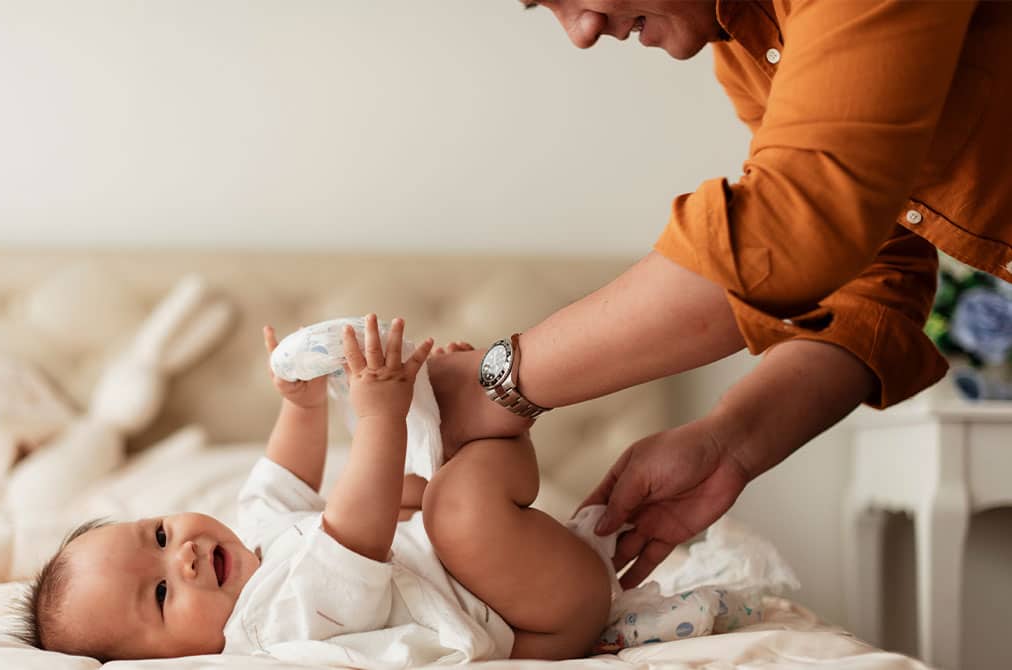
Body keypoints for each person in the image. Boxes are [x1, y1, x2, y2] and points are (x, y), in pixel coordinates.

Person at [429, 0, 1012, 590]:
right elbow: (874, 275)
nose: (580, 33)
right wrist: (730, 440)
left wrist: (500, 383)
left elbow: (794, 226)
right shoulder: (746, 49)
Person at [16, 315, 614, 663]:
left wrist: (301, 404)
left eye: (160, 535)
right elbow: (356, 534)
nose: (185, 555)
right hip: (536, 622)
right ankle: (478, 426)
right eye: (162, 594)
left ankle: (469, 428)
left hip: (506, 574)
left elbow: (283, 477)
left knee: (413, 488)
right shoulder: (269, 627)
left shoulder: (252, 538)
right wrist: (382, 416)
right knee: (445, 507)